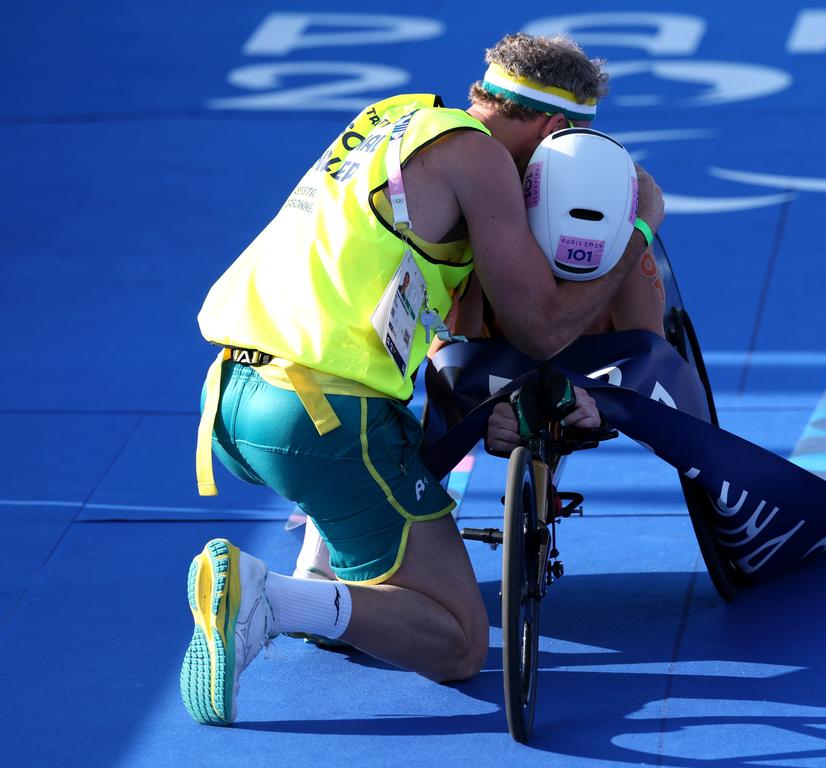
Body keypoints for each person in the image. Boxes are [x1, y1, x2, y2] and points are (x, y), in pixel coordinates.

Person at [183, 32, 665, 726]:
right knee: (459, 642)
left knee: (392, 441)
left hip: (230, 399)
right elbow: (544, 329)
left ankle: (326, 562)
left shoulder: (397, 117)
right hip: (317, 418)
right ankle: (270, 597)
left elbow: (443, 314)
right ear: (557, 129)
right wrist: (638, 232)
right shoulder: (482, 161)